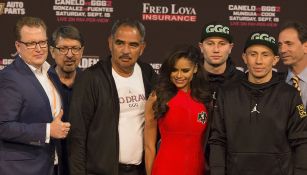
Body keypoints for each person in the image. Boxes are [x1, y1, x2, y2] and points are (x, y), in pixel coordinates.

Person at [209, 31, 307, 175]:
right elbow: (217, 140)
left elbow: (302, 141)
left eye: (265, 55)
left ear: (275, 60)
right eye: (253, 54)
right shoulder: (227, 93)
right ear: (244, 57)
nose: (258, 61)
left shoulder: (290, 94)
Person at [68, 19, 157, 175]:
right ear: (110, 43)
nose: (125, 51)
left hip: (139, 170)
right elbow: (77, 136)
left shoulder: (147, 73)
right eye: (120, 43)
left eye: (133, 45)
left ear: (142, 48)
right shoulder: (91, 78)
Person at [0, 16, 70, 175]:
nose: (39, 48)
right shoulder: (9, 78)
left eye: (42, 42)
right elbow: (3, 126)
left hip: (50, 166)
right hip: (21, 169)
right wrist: (47, 131)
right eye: (31, 43)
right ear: (18, 46)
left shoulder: (51, 72)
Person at [144, 45, 212, 175]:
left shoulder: (204, 100)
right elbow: (149, 147)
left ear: (195, 69)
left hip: (196, 169)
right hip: (165, 169)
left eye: (185, 70)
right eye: (174, 70)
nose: (179, 75)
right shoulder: (157, 97)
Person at [48, 25, 84, 175]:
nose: (70, 55)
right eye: (63, 49)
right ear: (52, 51)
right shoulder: (43, 82)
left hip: (81, 165)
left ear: (82, 51)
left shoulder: (90, 83)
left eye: (75, 48)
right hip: (49, 164)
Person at [198, 22, 244, 102]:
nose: (216, 50)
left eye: (222, 44)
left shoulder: (243, 80)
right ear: (201, 47)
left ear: (230, 48)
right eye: (210, 43)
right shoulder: (190, 79)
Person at [278, 21, 307, 107]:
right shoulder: (275, 82)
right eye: (280, 45)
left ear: (305, 47)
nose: (282, 50)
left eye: (289, 44)